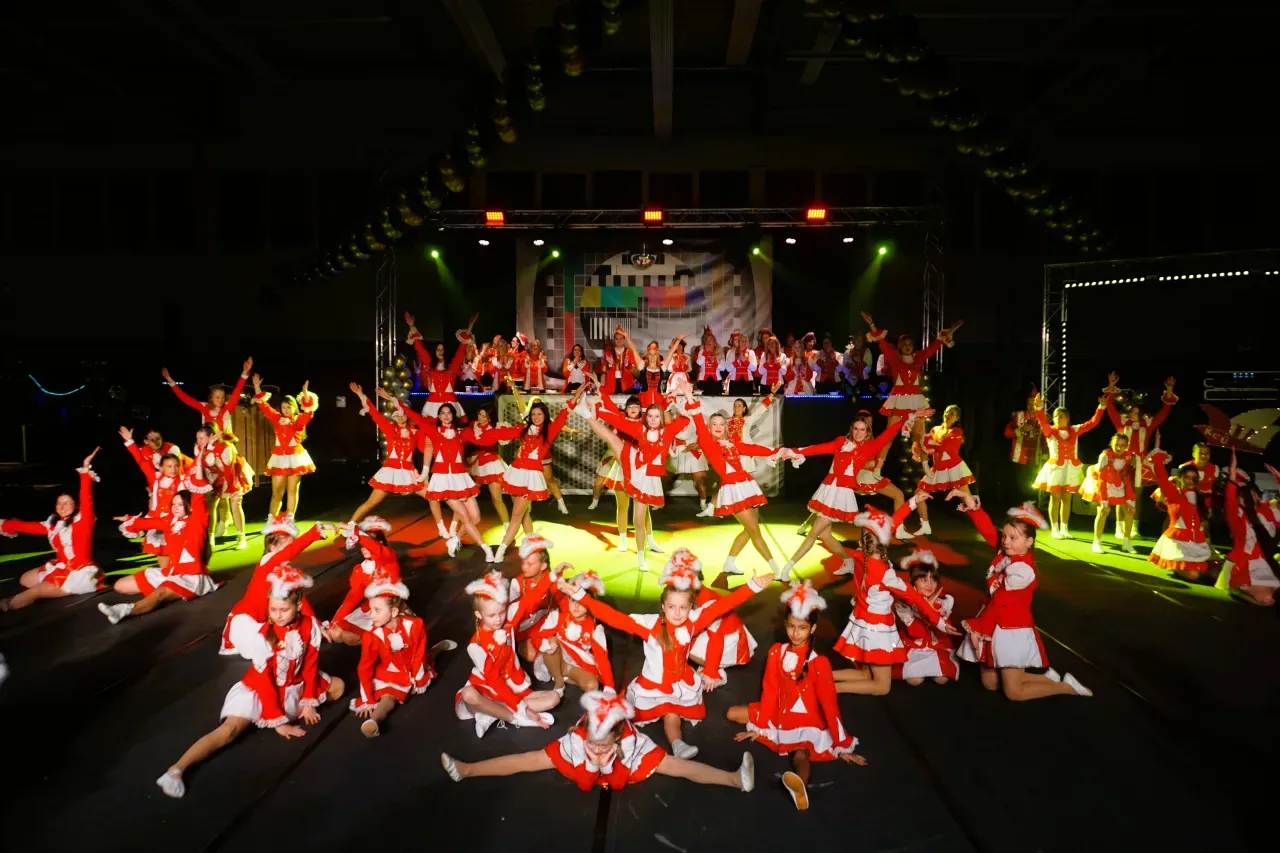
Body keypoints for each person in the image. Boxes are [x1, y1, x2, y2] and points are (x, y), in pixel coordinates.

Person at [558, 550, 773, 760]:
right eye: (671, 607)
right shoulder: (649, 625)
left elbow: (724, 605)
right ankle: (584, 730)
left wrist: (753, 586)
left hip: (680, 683)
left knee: (672, 714)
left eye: (683, 608)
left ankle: (677, 745)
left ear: (691, 606)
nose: (677, 613)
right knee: (623, 712)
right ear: (663, 605)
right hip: (653, 685)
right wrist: (581, 597)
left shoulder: (693, 622)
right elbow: (613, 617)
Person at [155, 566, 344, 799]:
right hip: (263, 689)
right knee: (229, 730)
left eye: (284, 610)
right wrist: (278, 722)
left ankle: (293, 708)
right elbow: (265, 681)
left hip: (294, 684)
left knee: (339, 687)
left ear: (298, 605)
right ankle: (177, 769)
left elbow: (310, 665)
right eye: (273, 610)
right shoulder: (263, 635)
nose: (278, 615)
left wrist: (308, 701)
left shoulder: (310, 626)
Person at [441, 690, 755, 793]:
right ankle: (467, 769)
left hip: (625, 760)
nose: (596, 747)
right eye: (593, 742)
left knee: (677, 766)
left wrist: (611, 759)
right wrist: (592, 760)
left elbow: (617, 783)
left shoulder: (628, 741)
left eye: (603, 744)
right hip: (584, 760)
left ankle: (734, 779)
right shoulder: (581, 738)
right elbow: (585, 784)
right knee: (530, 759)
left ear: (617, 737)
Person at [727, 581, 864, 810]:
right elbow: (770, 691)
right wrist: (761, 726)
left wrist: (841, 744)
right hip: (778, 713)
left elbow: (829, 704)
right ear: (785, 624)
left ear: (813, 628)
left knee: (800, 754)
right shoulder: (776, 652)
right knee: (732, 713)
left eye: (802, 628)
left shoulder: (819, 663)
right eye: (791, 626)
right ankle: (773, 734)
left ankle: (800, 785)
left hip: (806, 719)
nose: (795, 633)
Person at [950, 491, 1092, 700]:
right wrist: (970, 503)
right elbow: (989, 531)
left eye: (1013, 538)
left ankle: (1067, 687)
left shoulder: (1022, 571)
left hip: (1010, 627)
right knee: (990, 684)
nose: (1005, 541)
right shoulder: (1008, 553)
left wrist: (978, 630)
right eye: (1005, 536)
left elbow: (1000, 602)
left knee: (1014, 693)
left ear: (1029, 541)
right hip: (993, 619)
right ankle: (1047, 679)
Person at [829, 502, 958, 696]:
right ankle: (829, 688)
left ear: (862, 543)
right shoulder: (885, 575)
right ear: (886, 541)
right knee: (882, 687)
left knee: (866, 674)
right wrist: (938, 621)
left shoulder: (859, 556)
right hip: (877, 629)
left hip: (862, 621)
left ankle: (817, 675)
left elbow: (889, 525)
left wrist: (912, 503)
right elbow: (914, 597)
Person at [783, 410, 927, 577]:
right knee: (825, 534)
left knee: (814, 532)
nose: (858, 433)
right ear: (851, 429)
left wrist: (908, 417)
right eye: (856, 429)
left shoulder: (870, 447)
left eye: (862, 430)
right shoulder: (840, 443)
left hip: (840, 494)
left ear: (868, 432)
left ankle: (787, 568)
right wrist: (794, 451)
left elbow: (889, 433)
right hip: (828, 489)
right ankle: (848, 561)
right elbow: (818, 448)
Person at [577, 386, 688, 569]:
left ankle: (644, 550)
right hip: (634, 464)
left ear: (661, 418)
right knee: (612, 439)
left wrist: (683, 399)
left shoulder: (668, 432)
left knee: (639, 519)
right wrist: (596, 410)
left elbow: (685, 420)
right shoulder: (640, 429)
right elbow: (617, 421)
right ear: (646, 417)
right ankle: (586, 414)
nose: (653, 419)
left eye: (657, 416)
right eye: (650, 416)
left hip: (649, 477)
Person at [470, 390, 584, 561]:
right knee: (523, 514)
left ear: (545, 415)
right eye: (533, 414)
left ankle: (501, 550)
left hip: (530, 477)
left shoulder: (549, 430)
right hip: (516, 473)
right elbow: (502, 434)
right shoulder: (523, 429)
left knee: (516, 516)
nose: (536, 417)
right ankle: (532, 542)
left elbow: (564, 413)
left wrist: (578, 394)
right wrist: (480, 436)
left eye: (539, 414)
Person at [103, 463, 216, 624]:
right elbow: (147, 523)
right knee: (120, 585)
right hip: (171, 572)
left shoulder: (197, 522)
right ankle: (165, 592)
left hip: (191, 577)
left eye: (180, 504)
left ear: (190, 507)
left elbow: (199, 496)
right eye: (173, 504)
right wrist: (129, 519)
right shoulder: (169, 521)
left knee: (160, 593)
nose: (175, 508)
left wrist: (199, 464)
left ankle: (124, 610)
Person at [454, 571, 562, 736]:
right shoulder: (475, 645)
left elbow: (530, 599)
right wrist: (524, 710)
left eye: (502, 612)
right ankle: (515, 718)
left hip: (514, 684)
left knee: (554, 698)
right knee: (468, 694)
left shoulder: (508, 623)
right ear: (478, 614)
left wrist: (552, 576)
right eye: (491, 615)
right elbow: (494, 680)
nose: (498, 619)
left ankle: (491, 713)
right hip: (488, 688)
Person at [0, 448, 105, 610]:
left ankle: (8, 604)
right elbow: (27, 527)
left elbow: (86, 497)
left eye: (66, 503)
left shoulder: (82, 521)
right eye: (59, 503)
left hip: (79, 574)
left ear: (75, 505)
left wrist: (85, 469)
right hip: (61, 567)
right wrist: (3, 524)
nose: (62, 506)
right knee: (25, 579)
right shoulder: (53, 525)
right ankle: (53, 590)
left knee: (34, 591)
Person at [350, 573, 452, 738]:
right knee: (388, 697)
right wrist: (368, 699)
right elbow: (364, 668)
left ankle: (438, 649)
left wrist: (417, 678)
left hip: (414, 663)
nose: (371, 615)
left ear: (394, 611)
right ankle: (374, 720)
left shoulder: (415, 624)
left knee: (427, 660)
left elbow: (418, 652)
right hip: (391, 671)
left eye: (377, 610)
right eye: (371, 610)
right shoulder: (371, 636)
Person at [221, 515, 332, 655]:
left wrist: (316, 625)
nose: (290, 551)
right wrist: (315, 532)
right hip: (246, 621)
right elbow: (290, 552)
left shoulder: (283, 571)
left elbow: (300, 601)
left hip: (265, 621)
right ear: (272, 547)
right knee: (272, 652)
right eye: (287, 546)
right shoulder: (268, 562)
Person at [396, 397, 492, 560]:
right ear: (438, 416)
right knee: (465, 517)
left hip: (461, 479)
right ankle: (487, 550)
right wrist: (396, 401)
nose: (446, 416)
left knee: (476, 518)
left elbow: (483, 438)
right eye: (442, 413)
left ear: (453, 416)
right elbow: (416, 417)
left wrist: (488, 429)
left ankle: (455, 540)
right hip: (443, 481)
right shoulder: (433, 432)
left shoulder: (462, 433)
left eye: (449, 413)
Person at [1104, 373, 1177, 536]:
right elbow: (1110, 408)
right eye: (1131, 411)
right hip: (1124, 462)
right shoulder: (1122, 423)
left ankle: (1134, 526)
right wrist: (1111, 387)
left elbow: (1163, 414)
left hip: (1140, 464)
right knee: (1121, 493)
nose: (1133, 414)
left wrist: (1169, 390)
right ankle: (1119, 527)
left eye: (1136, 412)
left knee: (1136, 496)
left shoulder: (1147, 425)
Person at [1031, 389, 1110, 539]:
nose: (1058, 418)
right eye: (1056, 416)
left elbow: (1092, 423)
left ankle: (1064, 528)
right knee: (1055, 498)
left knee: (1067, 498)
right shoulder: (1050, 431)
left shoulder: (1074, 430)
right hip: (1056, 469)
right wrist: (1039, 407)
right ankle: (1054, 528)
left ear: (1067, 418)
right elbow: (1042, 420)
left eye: (1061, 416)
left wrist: (1101, 407)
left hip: (1070, 468)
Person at [861, 312, 963, 427]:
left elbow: (934, 346)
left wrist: (951, 330)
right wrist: (872, 324)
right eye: (904, 344)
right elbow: (882, 342)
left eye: (910, 344)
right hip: (898, 400)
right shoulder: (894, 358)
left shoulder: (918, 357)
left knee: (919, 433)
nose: (907, 346)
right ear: (900, 346)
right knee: (890, 433)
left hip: (916, 400)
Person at [346, 383, 425, 524]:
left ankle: (449, 526)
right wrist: (360, 394)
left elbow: (425, 448)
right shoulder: (390, 430)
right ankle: (350, 525)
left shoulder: (416, 433)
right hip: (390, 472)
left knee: (432, 495)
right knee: (371, 503)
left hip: (408, 473)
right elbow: (375, 413)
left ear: (407, 416)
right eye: (397, 415)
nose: (400, 417)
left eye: (402, 414)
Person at [533, 568, 616, 694]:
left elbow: (602, 658)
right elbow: (538, 636)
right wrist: (546, 642)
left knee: (592, 685)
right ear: (568, 600)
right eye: (573, 601)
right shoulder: (560, 617)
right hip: (557, 656)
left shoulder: (594, 629)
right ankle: (559, 682)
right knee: (550, 643)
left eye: (581, 602)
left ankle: (564, 672)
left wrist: (609, 686)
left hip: (578, 663)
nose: (576, 606)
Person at [322, 517, 398, 647]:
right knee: (336, 633)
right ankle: (377, 642)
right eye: (362, 545)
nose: (363, 547)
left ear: (379, 543)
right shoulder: (362, 569)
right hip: (371, 608)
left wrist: (351, 529)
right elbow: (352, 598)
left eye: (367, 544)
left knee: (348, 637)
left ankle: (383, 642)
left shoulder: (388, 557)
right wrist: (334, 621)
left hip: (389, 609)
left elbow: (373, 546)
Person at [251, 374, 319, 520]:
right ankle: (271, 519)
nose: (286, 410)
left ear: (294, 407)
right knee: (276, 492)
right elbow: (264, 406)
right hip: (280, 458)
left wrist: (305, 393)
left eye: (289, 407)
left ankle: (289, 519)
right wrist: (257, 387)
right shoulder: (277, 418)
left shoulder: (298, 420)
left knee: (292, 491)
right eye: (283, 407)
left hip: (296, 458)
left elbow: (308, 413)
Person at [1216, 453, 1279, 605]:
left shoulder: (1269, 512)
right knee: (1267, 600)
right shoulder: (1237, 517)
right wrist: (1232, 475)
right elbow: (1229, 501)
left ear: (1258, 496)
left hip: (1267, 564)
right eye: (1243, 496)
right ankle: (1236, 589)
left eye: (1252, 494)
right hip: (1244, 566)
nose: (1248, 499)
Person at [119, 425, 186, 562]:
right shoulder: (155, 478)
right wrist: (130, 442)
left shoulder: (182, 482)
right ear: (161, 467)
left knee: (178, 553)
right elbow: (141, 461)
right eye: (169, 466)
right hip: (158, 519)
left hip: (174, 521)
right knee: (162, 552)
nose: (173, 469)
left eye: (176, 466)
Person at [892, 551, 959, 685]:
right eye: (924, 580)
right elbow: (917, 633)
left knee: (942, 679)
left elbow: (944, 632)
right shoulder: (904, 605)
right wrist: (926, 611)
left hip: (937, 646)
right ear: (913, 584)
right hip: (913, 645)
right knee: (915, 680)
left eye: (933, 580)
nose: (930, 584)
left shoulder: (944, 602)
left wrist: (935, 612)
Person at [912, 404, 975, 534]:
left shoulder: (957, 432)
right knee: (918, 493)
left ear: (957, 418)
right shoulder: (935, 430)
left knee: (967, 500)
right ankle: (925, 525)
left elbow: (941, 447)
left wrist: (924, 439)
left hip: (954, 468)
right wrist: (918, 449)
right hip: (938, 468)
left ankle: (981, 525)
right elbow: (927, 446)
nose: (948, 415)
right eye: (947, 412)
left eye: (952, 413)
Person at [1148, 459, 1212, 582]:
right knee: (1194, 576)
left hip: (1197, 542)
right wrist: (1158, 460)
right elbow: (1162, 479)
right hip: (1177, 542)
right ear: (1180, 478)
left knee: (1213, 573)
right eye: (1186, 477)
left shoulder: (1201, 497)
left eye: (1194, 478)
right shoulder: (1173, 494)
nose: (1190, 480)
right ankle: (1174, 565)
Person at [406, 311, 477, 417]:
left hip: (450, 405)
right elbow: (420, 348)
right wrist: (412, 326)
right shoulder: (430, 365)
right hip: (432, 407)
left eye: (442, 349)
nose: (440, 352)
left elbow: (461, 348)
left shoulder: (452, 367)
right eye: (438, 349)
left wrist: (470, 327)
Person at [161, 357, 252, 434]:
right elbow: (185, 398)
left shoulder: (227, 408)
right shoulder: (204, 407)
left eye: (223, 397)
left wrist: (244, 372)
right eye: (217, 397)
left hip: (225, 447)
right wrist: (169, 379)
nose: (220, 400)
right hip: (208, 446)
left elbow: (237, 391)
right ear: (211, 398)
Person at [196, 426, 251, 550]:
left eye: (201, 438)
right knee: (211, 504)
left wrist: (211, 450)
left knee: (235, 503)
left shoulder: (225, 448)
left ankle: (241, 537)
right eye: (197, 438)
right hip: (215, 476)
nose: (198, 441)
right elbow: (203, 465)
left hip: (231, 476)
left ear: (211, 437)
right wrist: (208, 449)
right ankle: (210, 536)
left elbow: (227, 470)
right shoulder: (200, 448)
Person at [1080, 434, 1135, 554]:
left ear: (1127, 446)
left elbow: (1127, 478)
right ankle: (1096, 542)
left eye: (1123, 446)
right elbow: (1102, 480)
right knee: (1103, 510)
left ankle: (1127, 542)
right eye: (1117, 445)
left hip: (1117, 483)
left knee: (1130, 510)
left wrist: (1130, 499)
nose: (1119, 448)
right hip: (1101, 481)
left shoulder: (1128, 457)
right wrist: (1104, 501)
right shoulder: (1105, 456)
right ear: (1111, 444)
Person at [464, 405, 510, 525]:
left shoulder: (494, 429)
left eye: (484, 416)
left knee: (496, 499)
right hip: (476, 464)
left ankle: (508, 527)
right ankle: (455, 526)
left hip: (491, 465)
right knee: (467, 496)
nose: (480, 418)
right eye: (480, 414)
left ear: (489, 418)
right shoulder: (473, 425)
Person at [598, 325, 639, 396]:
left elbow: (634, 369)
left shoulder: (629, 352)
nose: (619, 341)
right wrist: (610, 364)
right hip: (612, 383)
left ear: (624, 340)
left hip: (626, 383)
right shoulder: (608, 353)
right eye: (616, 339)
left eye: (621, 339)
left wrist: (627, 364)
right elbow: (603, 369)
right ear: (614, 340)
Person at [694, 326, 726, 395]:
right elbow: (699, 362)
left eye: (710, 339)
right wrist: (705, 352)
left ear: (714, 343)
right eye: (707, 340)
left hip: (716, 381)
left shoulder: (719, 352)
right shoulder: (702, 351)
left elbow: (723, 368)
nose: (708, 341)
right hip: (703, 380)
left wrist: (714, 362)